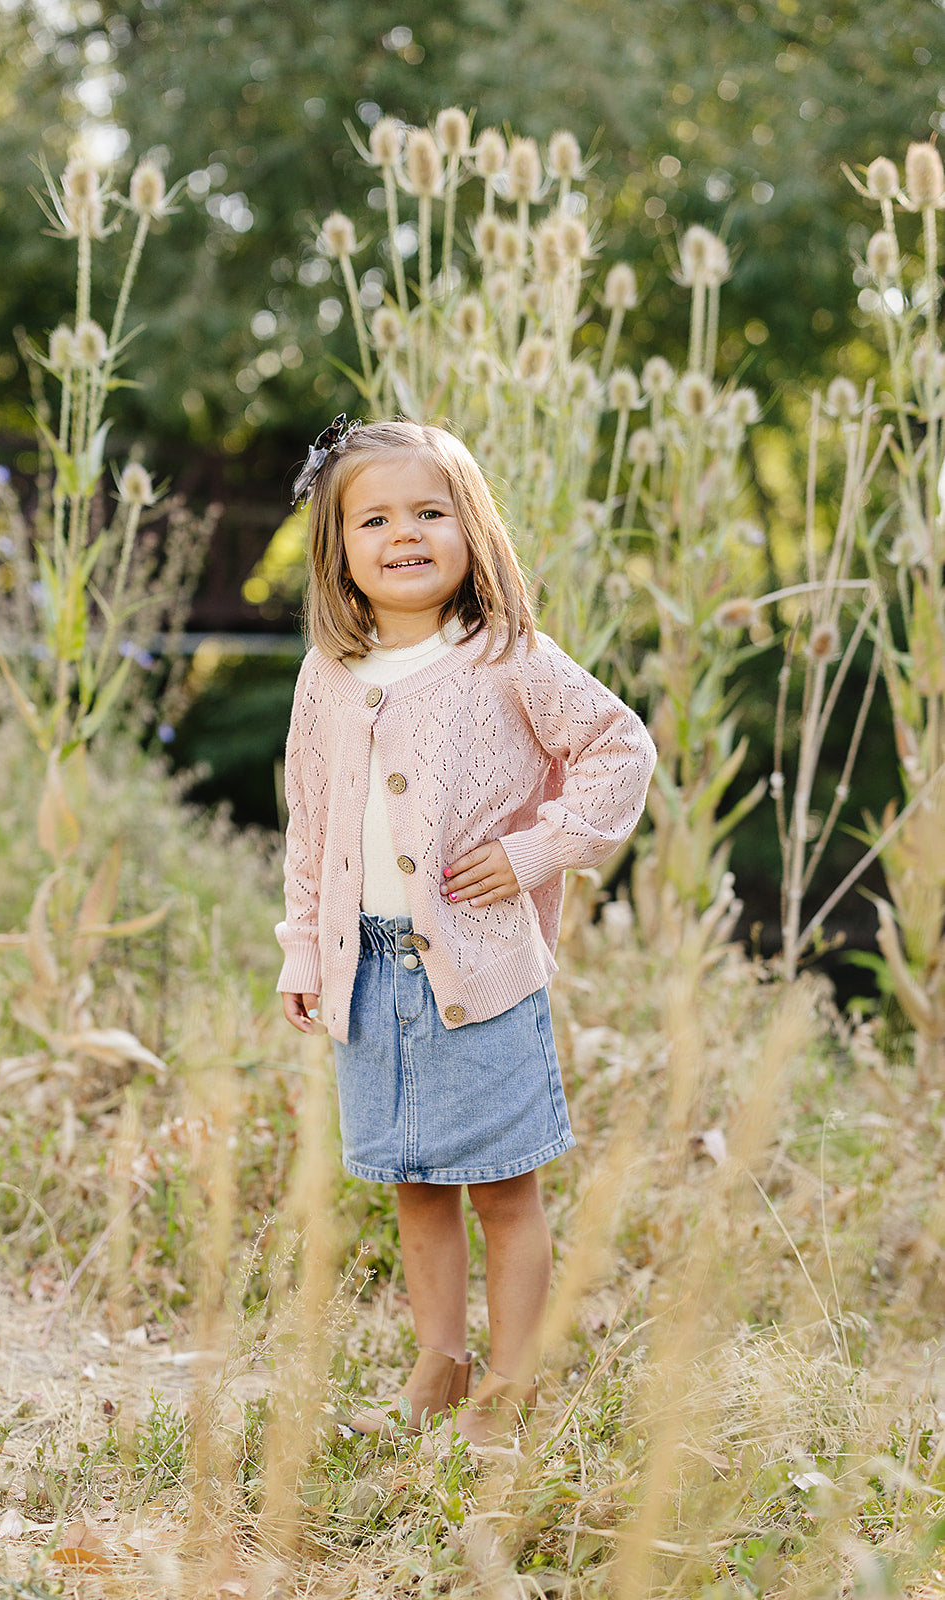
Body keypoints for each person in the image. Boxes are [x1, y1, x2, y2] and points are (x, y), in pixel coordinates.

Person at [277, 416, 655, 1447]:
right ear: (338, 545)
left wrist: (540, 848)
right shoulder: (329, 674)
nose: (404, 533)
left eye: (429, 512)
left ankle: (513, 1386)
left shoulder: (506, 657)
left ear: (469, 529)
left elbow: (617, 748)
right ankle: (438, 1361)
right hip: (366, 972)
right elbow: (310, 827)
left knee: (501, 1184)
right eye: (376, 517)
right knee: (410, 1177)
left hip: (480, 970)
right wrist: (303, 950)